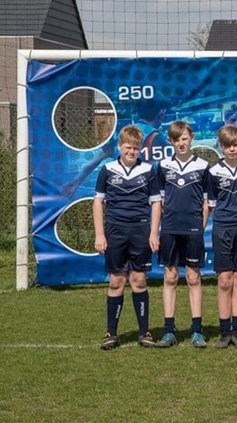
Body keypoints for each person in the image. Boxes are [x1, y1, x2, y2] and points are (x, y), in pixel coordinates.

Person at [93, 125, 162, 350]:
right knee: (116, 281)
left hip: (140, 231)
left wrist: (154, 233)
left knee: (139, 280)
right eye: (128, 147)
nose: (132, 151)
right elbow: (98, 202)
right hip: (115, 231)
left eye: (135, 148)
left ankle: (144, 332)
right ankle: (111, 333)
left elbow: (156, 203)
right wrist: (100, 235)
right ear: (119, 146)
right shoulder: (107, 169)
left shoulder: (148, 171)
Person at [152, 121, 211, 349]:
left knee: (194, 278)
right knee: (170, 277)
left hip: (193, 230)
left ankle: (197, 331)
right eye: (177, 140)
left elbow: (207, 203)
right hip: (170, 230)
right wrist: (156, 232)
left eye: (184, 138)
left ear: (191, 138)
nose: (181, 143)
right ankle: (169, 331)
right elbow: (159, 201)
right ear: (170, 141)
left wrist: (200, 227)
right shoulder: (163, 166)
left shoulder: (203, 166)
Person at [207, 124, 237, 349]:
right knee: (224, 279)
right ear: (221, 146)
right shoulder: (213, 172)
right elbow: (211, 204)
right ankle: (224, 331)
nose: (232, 149)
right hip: (222, 228)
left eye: (236, 145)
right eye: (227, 146)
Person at [63, 100, 169, 197]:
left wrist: (76, 181)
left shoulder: (122, 134)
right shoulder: (156, 138)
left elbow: (91, 163)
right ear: (161, 113)